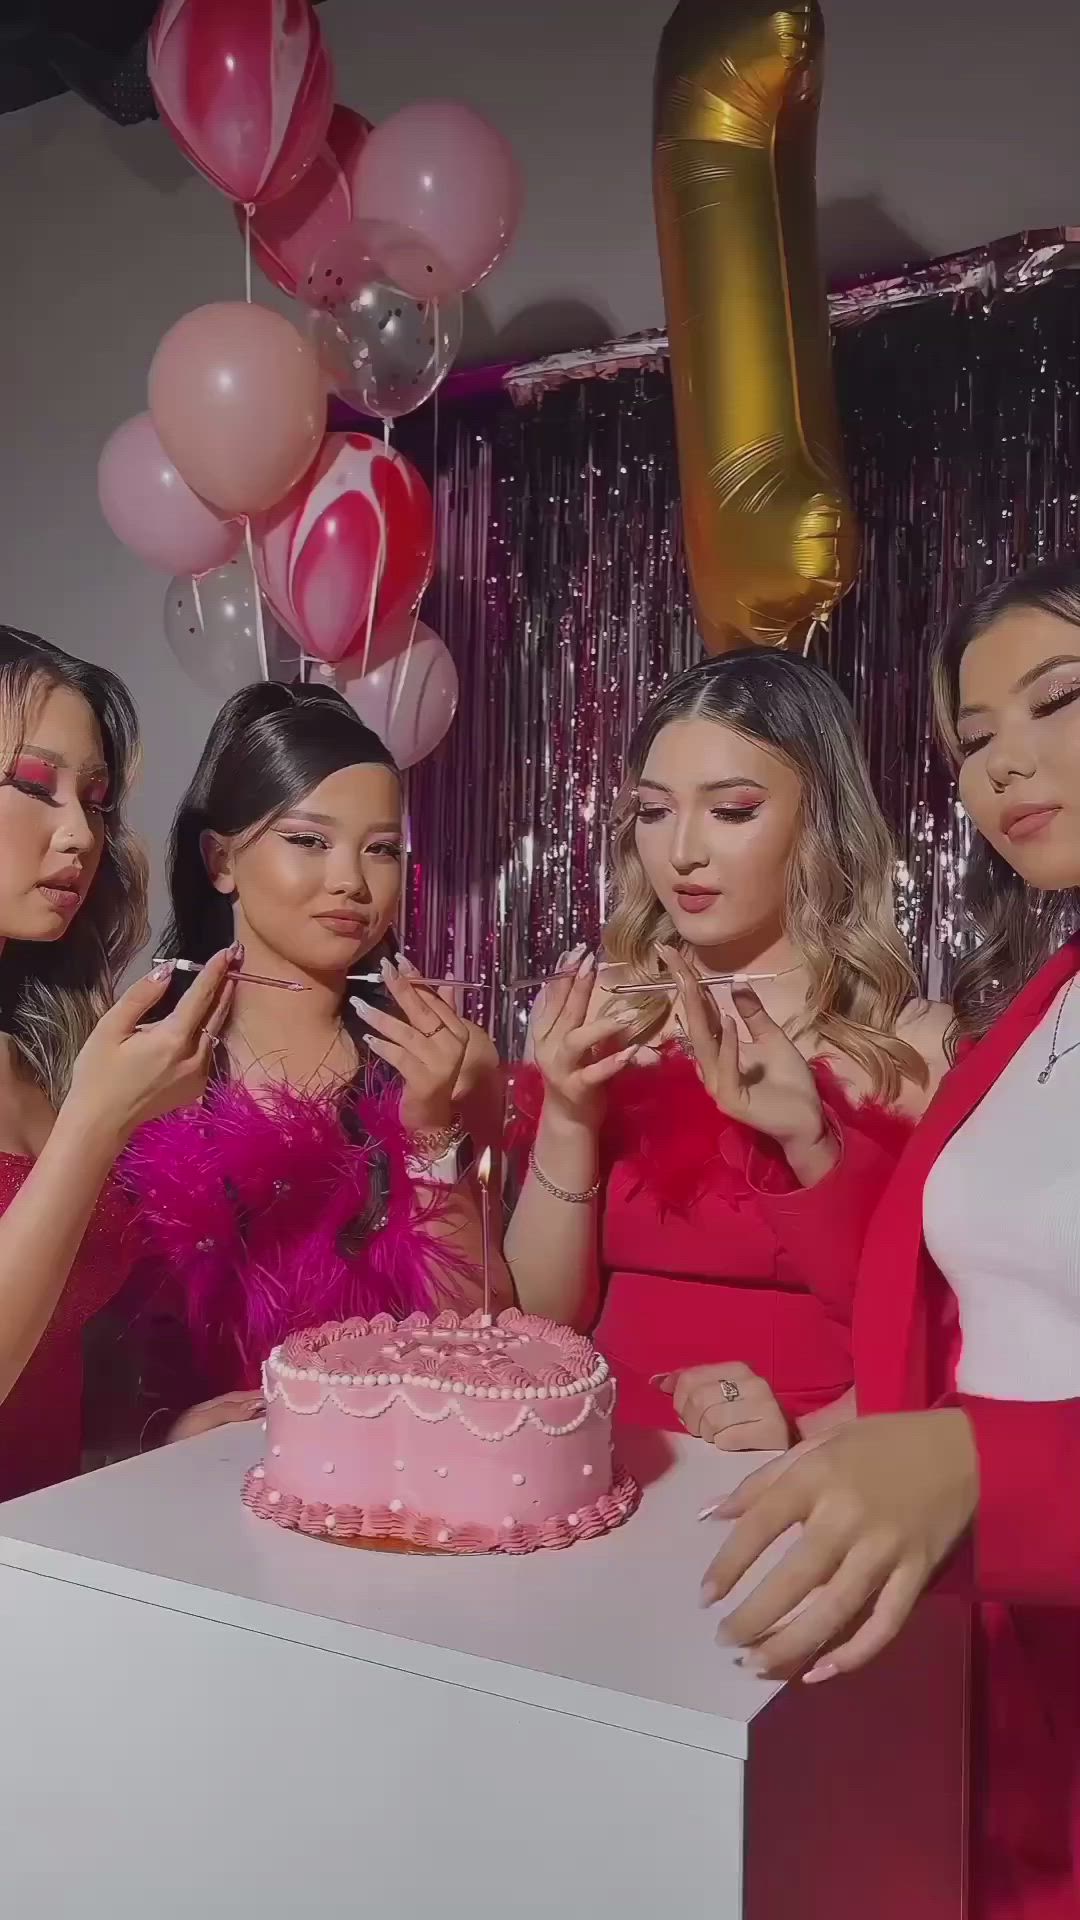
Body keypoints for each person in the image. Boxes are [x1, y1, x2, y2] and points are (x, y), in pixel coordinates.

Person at [699, 558, 1080, 1920]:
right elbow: (951, 1302)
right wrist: (807, 1140)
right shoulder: (1043, 1001)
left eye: (1058, 702)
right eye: (974, 741)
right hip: (987, 1678)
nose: (1004, 767)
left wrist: (987, 1464)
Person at [505, 651, 949, 1439]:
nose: (682, 852)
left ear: (820, 824)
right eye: (652, 810)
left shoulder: (914, 1049)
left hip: (808, 1485)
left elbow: (939, 1344)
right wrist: (570, 1116)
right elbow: (540, 1320)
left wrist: (802, 1443)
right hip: (596, 1460)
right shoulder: (599, 1017)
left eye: (732, 811)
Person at [118, 681, 509, 1447]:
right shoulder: (142, 1060)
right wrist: (160, 1434)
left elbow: (486, 1342)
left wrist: (431, 1135)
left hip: (393, 1479)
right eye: (308, 840)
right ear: (221, 860)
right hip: (178, 1500)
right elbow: (91, 1340)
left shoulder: (448, 1058)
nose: (351, 883)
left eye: (382, 849)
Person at [0, 623, 233, 1500]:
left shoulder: (47, 1045)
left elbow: (55, 1357)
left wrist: (144, 1440)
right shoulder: (86, 1090)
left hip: (49, 1573)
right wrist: (96, 1126)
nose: (79, 836)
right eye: (32, 785)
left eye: (94, 799)